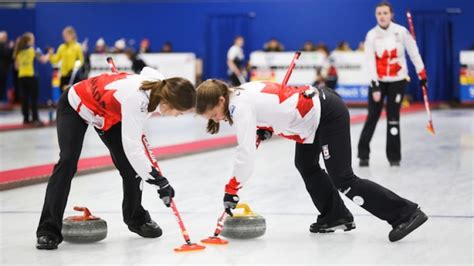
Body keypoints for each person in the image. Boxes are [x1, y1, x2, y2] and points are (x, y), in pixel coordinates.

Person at [195, 79, 427, 242]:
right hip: (311, 116)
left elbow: (245, 153)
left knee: (344, 179)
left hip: (325, 114)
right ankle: (335, 215)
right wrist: (265, 127)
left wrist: (232, 188)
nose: (218, 119)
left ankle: (405, 214)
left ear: (221, 99)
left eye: (215, 113)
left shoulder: (239, 107)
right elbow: (274, 102)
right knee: (305, 164)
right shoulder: (242, 91)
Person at [36, 66, 196, 250]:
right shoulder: (137, 100)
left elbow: (146, 69)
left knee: (130, 168)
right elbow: (133, 147)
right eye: (180, 111)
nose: (179, 116)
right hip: (76, 104)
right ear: (167, 103)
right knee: (67, 162)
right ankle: (47, 230)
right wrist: (159, 180)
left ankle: (136, 218)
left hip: (107, 113)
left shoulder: (160, 83)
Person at [358, 1, 427, 167]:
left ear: (391, 15)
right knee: (372, 117)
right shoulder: (371, 35)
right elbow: (369, 61)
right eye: (379, 13)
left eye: (385, 13)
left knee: (393, 118)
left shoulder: (401, 32)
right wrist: (374, 85)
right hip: (378, 82)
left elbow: (413, 52)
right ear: (376, 15)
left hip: (398, 80)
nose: (382, 16)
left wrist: (421, 72)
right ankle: (363, 154)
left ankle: (394, 157)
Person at [13, 32, 49, 125]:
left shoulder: (19, 52)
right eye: (32, 38)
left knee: (24, 99)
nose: (34, 40)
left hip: (21, 77)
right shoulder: (34, 50)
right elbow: (43, 60)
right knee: (33, 98)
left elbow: (16, 67)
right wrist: (49, 53)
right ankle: (35, 118)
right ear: (29, 40)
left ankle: (26, 119)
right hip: (31, 77)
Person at [49, 26, 84, 92]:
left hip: (74, 76)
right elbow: (55, 60)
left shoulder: (77, 46)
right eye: (63, 36)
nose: (64, 37)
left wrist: (75, 67)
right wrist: (51, 54)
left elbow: (81, 60)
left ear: (72, 35)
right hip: (64, 76)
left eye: (66, 35)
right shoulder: (62, 47)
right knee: (63, 98)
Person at [0, 31, 14, 102]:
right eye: (4, 37)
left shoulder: (5, 45)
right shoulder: (1, 45)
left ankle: (2, 99)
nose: (6, 38)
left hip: (4, 68)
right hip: (1, 68)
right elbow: (5, 53)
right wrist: (11, 48)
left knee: (3, 84)